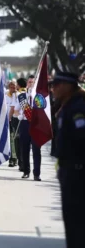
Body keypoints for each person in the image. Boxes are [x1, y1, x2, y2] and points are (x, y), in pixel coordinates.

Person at [51, 72, 85, 248]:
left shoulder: (78, 108)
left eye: (57, 84)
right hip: (69, 172)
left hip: (77, 174)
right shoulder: (66, 106)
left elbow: (81, 138)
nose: (53, 88)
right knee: (71, 224)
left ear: (68, 86)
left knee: (77, 224)